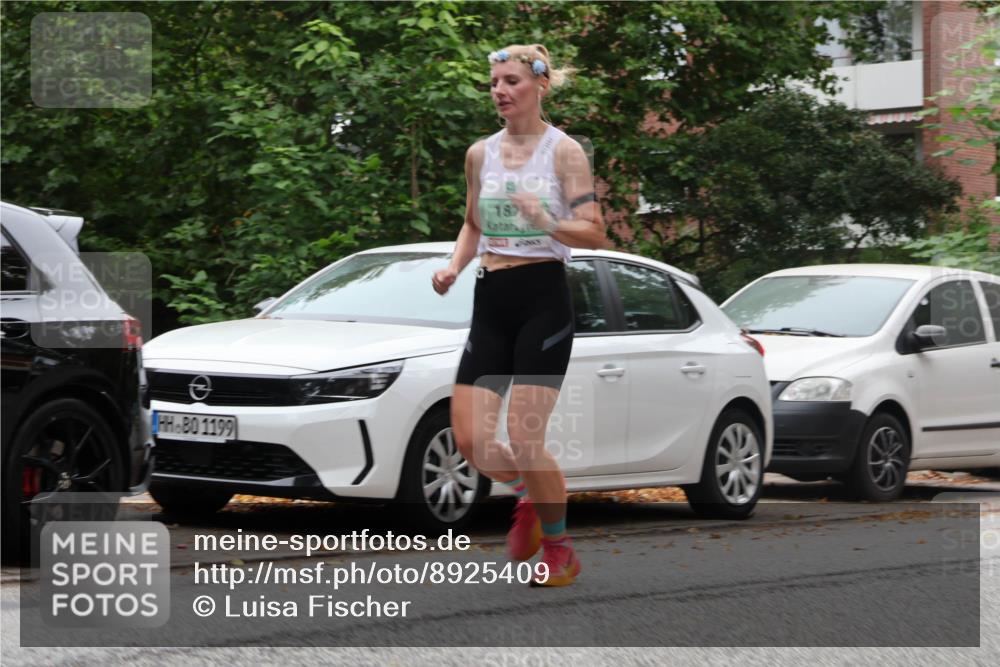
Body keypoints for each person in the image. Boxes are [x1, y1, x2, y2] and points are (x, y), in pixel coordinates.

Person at [431, 44, 608, 587]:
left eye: (511, 81)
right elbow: (471, 223)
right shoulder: (479, 154)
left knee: (526, 439)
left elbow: (594, 230)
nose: (500, 91)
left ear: (539, 85)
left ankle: (560, 551)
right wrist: (455, 265)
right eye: (494, 83)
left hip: (542, 300)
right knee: (471, 442)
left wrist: (548, 219)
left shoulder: (565, 152)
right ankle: (530, 492)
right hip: (491, 300)